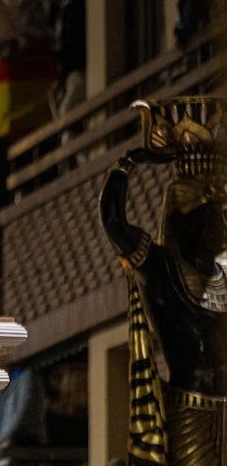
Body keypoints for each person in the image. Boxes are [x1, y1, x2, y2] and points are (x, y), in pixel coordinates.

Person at [101, 144, 227, 465]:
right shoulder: (163, 269)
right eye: (208, 221)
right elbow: (114, 222)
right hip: (189, 411)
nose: (220, 230)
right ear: (182, 225)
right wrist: (127, 163)